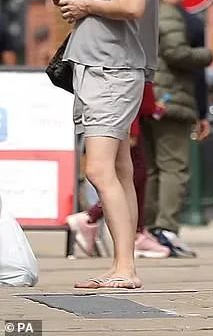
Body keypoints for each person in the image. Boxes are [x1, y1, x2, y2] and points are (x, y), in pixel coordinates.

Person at [52, 0, 166, 289]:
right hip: (107, 67)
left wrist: (86, 6)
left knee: (98, 169)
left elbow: (133, 5)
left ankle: (125, 267)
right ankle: (123, 264)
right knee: (117, 169)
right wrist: (79, 4)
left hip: (112, 71)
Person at [142, 0, 213, 258]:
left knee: (151, 169)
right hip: (171, 98)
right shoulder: (168, 14)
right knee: (174, 167)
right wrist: (206, 54)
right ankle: (166, 228)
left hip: (148, 98)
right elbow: (176, 53)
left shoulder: (143, 11)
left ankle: (146, 230)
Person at [67, 82, 172, 259]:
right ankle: (92, 219)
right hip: (124, 115)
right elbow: (139, 90)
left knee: (129, 173)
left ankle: (129, 242)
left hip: (114, 110)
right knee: (127, 174)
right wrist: (154, 110)